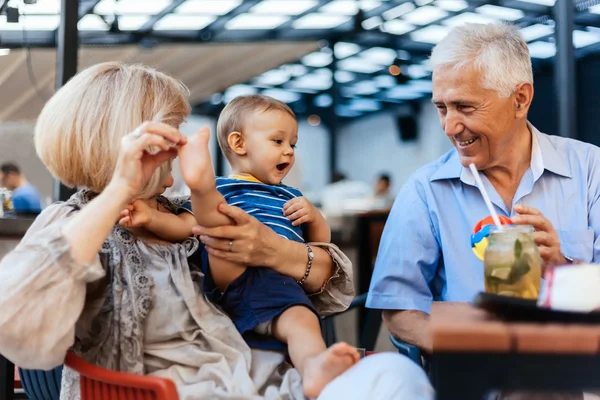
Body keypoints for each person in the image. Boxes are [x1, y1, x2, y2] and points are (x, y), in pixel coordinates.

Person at [0, 62, 434, 400]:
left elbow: (324, 285)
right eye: (172, 131)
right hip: (174, 392)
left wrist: (269, 245)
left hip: (260, 380)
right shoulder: (74, 222)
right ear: (125, 140)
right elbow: (15, 322)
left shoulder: (184, 212)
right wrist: (119, 189)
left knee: (398, 376)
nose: (179, 146)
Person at [367, 22, 600, 399]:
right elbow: (398, 308)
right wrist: (470, 348)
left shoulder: (590, 170)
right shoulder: (426, 190)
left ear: (520, 99)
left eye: (464, 107)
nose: (449, 126)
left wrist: (563, 267)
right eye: (441, 108)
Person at [123, 93, 360, 398]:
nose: (289, 151)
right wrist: (150, 218)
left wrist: (314, 215)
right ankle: (201, 187)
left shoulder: (289, 196)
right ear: (239, 144)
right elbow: (185, 227)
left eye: (293, 144)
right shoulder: (227, 187)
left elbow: (320, 243)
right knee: (219, 226)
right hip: (232, 271)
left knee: (302, 323)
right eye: (278, 141)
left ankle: (313, 367)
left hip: (280, 288)